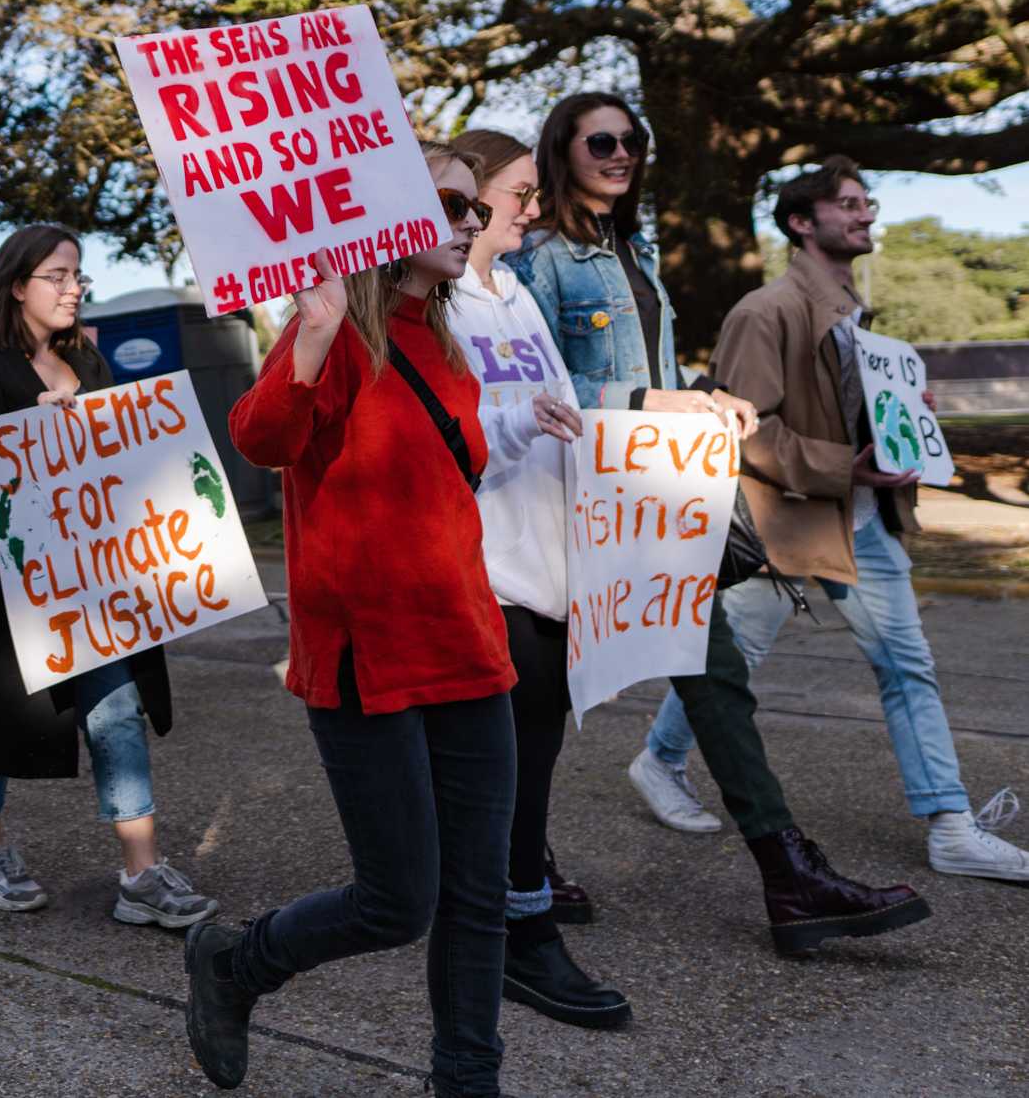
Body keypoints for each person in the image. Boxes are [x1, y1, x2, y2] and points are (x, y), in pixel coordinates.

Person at [510, 94, 931, 955]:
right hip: (572, 500)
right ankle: (520, 863)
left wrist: (701, 398)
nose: (621, 152)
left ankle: (788, 875)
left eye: (633, 139)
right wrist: (654, 399)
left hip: (652, 494)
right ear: (564, 149)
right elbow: (528, 385)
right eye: (602, 140)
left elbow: (655, 369)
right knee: (540, 696)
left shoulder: (638, 249)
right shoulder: (540, 259)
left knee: (717, 673)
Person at [185, 146, 515, 1096]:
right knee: (397, 900)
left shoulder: (445, 343)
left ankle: (467, 1076)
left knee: (478, 896)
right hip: (367, 658)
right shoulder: (331, 327)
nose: (470, 221)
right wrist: (316, 338)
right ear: (389, 222)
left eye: (474, 206)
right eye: (450, 204)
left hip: (470, 647)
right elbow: (259, 438)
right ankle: (236, 963)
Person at [633, 157, 1026, 881]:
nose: (866, 213)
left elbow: (850, 413)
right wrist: (848, 464)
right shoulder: (764, 311)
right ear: (801, 222)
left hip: (865, 520)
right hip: (787, 525)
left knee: (908, 666)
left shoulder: (853, 315)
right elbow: (746, 429)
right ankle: (658, 760)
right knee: (732, 665)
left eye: (866, 201)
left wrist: (902, 419)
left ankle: (949, 823)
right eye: (848, 204)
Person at [0, 225, 217, 930]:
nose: (73, 286)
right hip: (4, 574)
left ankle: (142, 873)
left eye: (77, 275)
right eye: (57, 274)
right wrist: (27, 422)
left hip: (91, 569)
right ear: (18, 283)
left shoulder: (85, 356)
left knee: (116, 706)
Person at [447, 130, 627, 1031]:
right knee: (509, 761)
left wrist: (674, 415)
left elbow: (562, 406)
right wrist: (519, 421)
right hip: (490, 566)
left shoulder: (513, 291)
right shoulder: (442, 301)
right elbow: (455, 424)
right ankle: (520, 929)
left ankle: (504, 905)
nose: (531, 205)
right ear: (473, 196)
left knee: (534, 755)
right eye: (518, 191)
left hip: (552, 562)